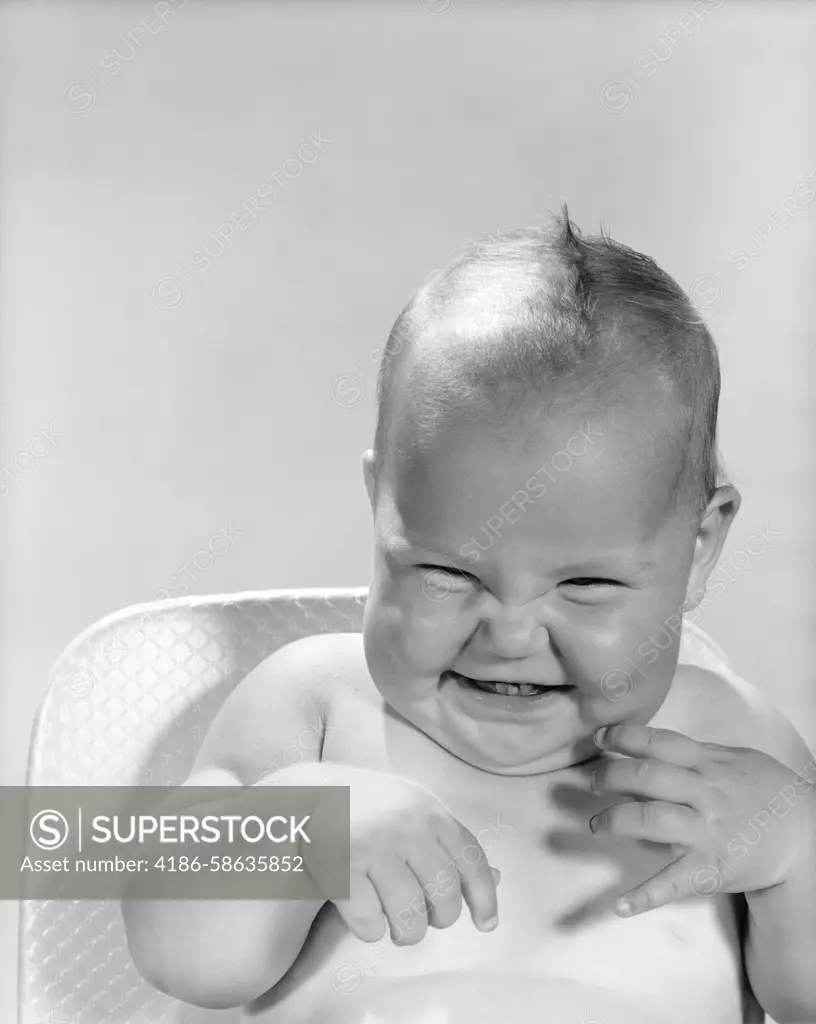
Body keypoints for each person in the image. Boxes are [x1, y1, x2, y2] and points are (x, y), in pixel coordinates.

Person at [124, 210, 816, 1024]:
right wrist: (299, 830)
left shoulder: (731, 737)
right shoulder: (319, 703)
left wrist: (799, 857)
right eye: (449, 571)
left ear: (698, 546)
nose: (511, 634)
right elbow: (183, 958)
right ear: (382, 509)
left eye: (588, 584)